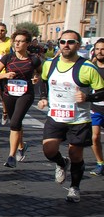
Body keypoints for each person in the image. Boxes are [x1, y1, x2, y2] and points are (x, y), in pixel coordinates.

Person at [38, 30, 104, 202]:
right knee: (49, 151)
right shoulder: (49, 64)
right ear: (59, 43)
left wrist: (87, 97)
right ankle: (61, 163)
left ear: (78, 45)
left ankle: (74, 187)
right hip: (55, 116)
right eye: (63, 41)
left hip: (79, 120)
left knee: (76, 155)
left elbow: (103, 92)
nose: (66, 45)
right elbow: (44, 80)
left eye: (71, 42)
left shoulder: (87, 68)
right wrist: (44, 97)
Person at [0, 29, 41, 167]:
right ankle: (21, 146)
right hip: (9, 94)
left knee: (14, 123)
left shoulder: (34, 59)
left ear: (28, 43)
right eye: (15, 41)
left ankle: (11, 157)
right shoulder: (8, 58)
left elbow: (39, 73)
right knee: (16, 123)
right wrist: (5, 75)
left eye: (20, 41)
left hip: (26, 94)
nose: (17, 44)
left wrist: (36, 77)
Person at [90, 38, 104, 176]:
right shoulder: (90, 67)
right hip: (96, 108)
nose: (100, 52)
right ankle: (100, 163)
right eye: (98, 49)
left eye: (103, 49)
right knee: (94, 137)